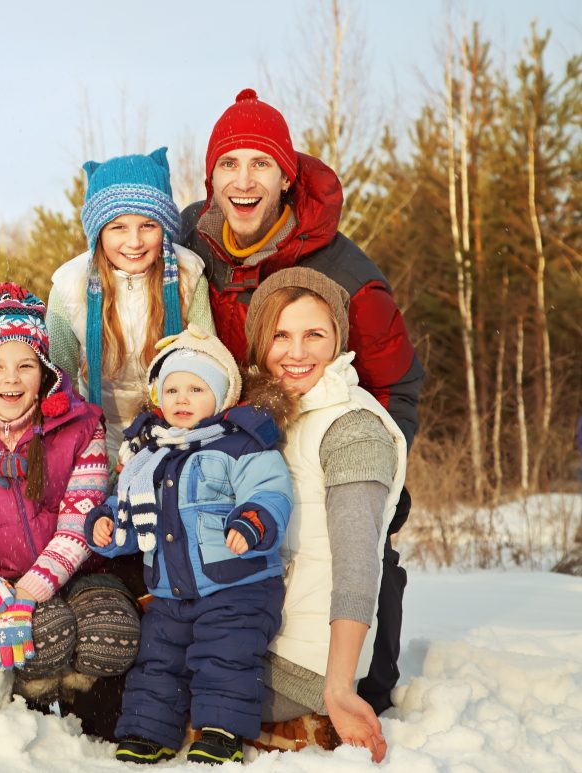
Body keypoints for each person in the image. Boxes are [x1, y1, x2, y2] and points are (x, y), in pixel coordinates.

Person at [178, 89, 423, 713]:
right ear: (211, 180)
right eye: (229, 164)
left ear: (286, 177)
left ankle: (356, 673)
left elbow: (398, 380)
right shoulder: (189, 249)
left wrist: (373, 471)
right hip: (231, 436)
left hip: (327, 434)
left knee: (351, 542)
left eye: (260, 164)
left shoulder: (345, 272)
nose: (243, 179)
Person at [84, 324, 293, 765]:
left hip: (238, 584)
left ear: (222, 398)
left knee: (226, 655)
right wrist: (105, 522)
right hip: (169, 591)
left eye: (196, 388)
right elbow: (125, 506)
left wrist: (253, 520)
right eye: (172, 388)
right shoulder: (148, 457)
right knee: (158, 660)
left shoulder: (241, 446)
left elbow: (269, 491)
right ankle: (147, 729)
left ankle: (221, 731)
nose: (182, 398)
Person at [0, 282, 141, 720]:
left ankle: (99, 721)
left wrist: (30, 594)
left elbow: (79, 524)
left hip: (81, 571)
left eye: (26, 365)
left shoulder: (79, 426)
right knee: (44, 641)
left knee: (110, 632)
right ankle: (36, 721)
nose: (11, 379)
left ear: (44, 371)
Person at [244, 267, 408, 763]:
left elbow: (358, 564)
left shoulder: (351, 427)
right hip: (257, 630)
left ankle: (308, 721)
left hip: (302, 663)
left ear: (338, 339)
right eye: (280, 335)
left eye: (314, 335)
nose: (297, 353)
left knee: (148, 694)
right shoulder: (271, 416)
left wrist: (338, 686)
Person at [48, 147, 215, 468]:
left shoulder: (187, 276)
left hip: (173, 432)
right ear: (98, 233)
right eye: (119, 227)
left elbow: (205, 365)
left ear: (165, 228)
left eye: (148, 226)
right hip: (96, 435)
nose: (135, 241)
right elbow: (59, 381)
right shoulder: (70, 287)